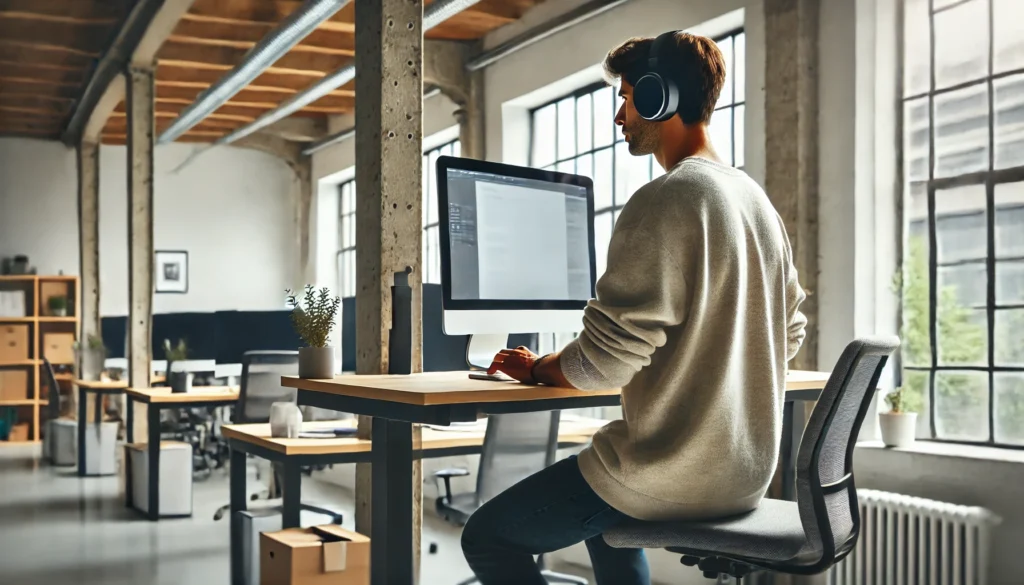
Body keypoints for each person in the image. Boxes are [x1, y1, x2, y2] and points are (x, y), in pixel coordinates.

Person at [459, 31, 808, 585]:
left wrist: (540, 367)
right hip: (744, 476)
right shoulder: (754, 200)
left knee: (487, 536)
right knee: (602, 522)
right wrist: (706, 354)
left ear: (656, 97)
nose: (620, 117)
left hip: (673, 474)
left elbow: (604, 364)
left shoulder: (668, 199)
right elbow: (787, 335)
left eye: (625, 98)